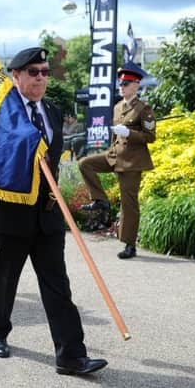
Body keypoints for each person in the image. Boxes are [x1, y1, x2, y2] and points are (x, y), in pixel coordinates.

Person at [0, 47, 107, 375]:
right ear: (16, 75)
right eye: (33, 71)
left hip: (48, 212)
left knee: (56, 284)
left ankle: (71, 355)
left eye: (45, 72)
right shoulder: (0, 111)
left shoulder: (51, 110)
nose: (40, 77)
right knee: (5, 277)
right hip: (11, 210)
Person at [78, 64, 156, 259]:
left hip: (132, 162)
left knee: (128, 204)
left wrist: (130, 133)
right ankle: (100, 199)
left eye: (126, 83)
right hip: (114, 155)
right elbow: (115, 137)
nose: (122, 86)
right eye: (121, 83)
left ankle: (129, 245)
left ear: (136, 85)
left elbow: (150, 137)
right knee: (85, 163)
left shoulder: (143, 108)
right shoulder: (117, 107)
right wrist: (113, 144)